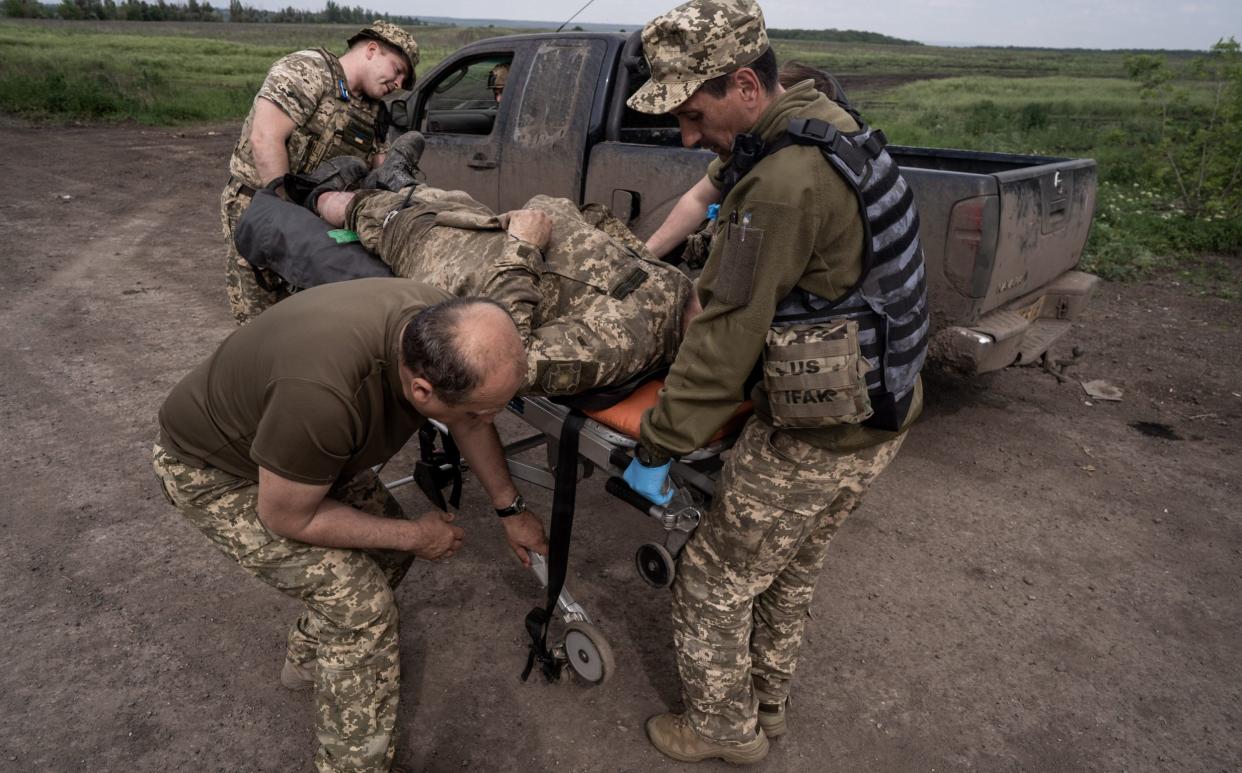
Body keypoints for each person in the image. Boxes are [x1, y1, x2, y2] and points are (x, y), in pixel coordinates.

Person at [621, 0, 929, 764]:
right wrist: (646, 258)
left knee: (712, 577)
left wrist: (659, 442)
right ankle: (769, 703)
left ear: (745, 88)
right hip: (885, 409)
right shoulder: (824, 123)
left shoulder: (784, 185)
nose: (690, 136)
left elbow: (728, 335)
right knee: (788, 569)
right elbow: (708, 190)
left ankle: (724, 730)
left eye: (694, 114)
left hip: (818, 436)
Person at [151, 279, 548, 772]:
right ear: (422, 389)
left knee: (387, 559)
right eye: (482, 408)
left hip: (302, 454)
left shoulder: (437, 325)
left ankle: (311, 658)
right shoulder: (322, 394)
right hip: (216, 474)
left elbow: (470, 422)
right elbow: (288, 515)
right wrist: (416, 535)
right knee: (362, 609)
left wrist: (511, 509)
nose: (490, 419)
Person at [311, 182, 696, 398]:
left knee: (376, 212)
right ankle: (397, 180)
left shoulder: (628, 341)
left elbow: (500, 359)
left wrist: (523, 245)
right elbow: (620, 252)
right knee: (438, 197)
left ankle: (314, 191)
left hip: (453, 260)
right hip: (488, 223)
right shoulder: (680, 288)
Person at [221, 21, 420, 325]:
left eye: (404, 79)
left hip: (316, 222)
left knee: (307, 320)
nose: (398, 83)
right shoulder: (307, 71)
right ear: (371, 50)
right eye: (397, 70)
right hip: (260, 207)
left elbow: (380, 166)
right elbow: (265, 137)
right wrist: (286, 215)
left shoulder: (374, 112)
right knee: (261, 321)